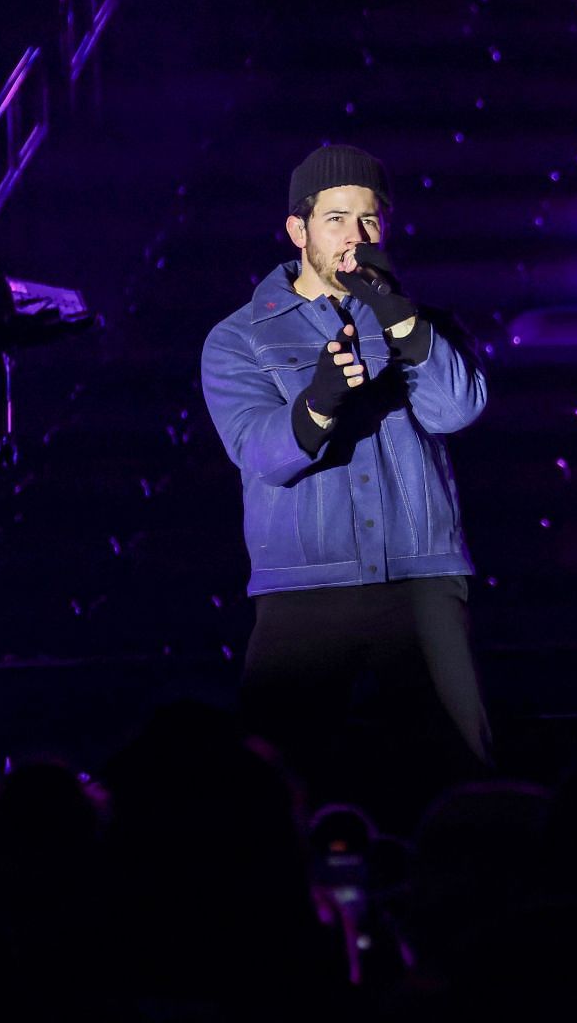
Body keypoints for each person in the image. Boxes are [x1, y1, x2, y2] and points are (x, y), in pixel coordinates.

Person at [200, 144, 491, 821]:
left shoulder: (422, 321)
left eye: (370, 220)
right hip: (305, 587)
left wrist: (402, 322)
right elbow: (260, 453)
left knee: (459, 775)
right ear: (298, 231)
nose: (357, 237)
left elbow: (458, 409)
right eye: (337, 219)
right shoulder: (240, 337)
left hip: (418, 579)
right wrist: (319, 400)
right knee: (272, 789)